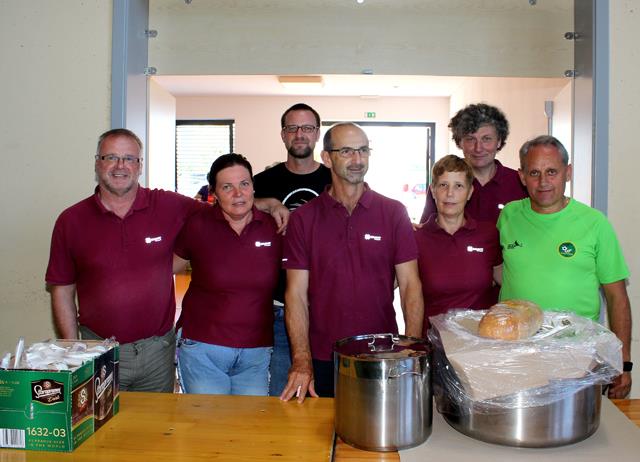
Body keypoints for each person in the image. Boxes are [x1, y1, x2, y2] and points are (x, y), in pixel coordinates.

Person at [45, 128, 288, 392]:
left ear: (140, 165)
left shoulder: (167, 205)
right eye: (111, 157)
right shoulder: (71, 221)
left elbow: (225, 206)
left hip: (157, 352)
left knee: (160, 419)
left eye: (129, 158)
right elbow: (62, 289)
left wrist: (270, 204)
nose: (120, 166)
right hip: (99, 351)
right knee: (101, 419)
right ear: (97, 163)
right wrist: (73, 350)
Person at [280, 122, 424, 402]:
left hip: (381, 355)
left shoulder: (393, 212)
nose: (357, 159)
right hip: (323, 357)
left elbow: (410, 286)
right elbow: (295, 294)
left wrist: (411, 353)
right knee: (319, 429)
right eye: (346, 151)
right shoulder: (303, 219)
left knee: (379, 429)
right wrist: (301, 360)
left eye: (363, 150)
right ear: (327, 158)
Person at [498, 135, 632, 398]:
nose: (543, 182)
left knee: (579, 424)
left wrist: (623, 362)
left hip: (578, 360)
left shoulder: (594, 223)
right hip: (516, 357)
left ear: (567, 173)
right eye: (534, 173)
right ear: (522, 176)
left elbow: (618, 298)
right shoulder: (508, 216)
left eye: (552, 172)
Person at [174, 154, 282, 395]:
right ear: (214, 193)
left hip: (256, 352)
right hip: (202, 348)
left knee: (251, 418)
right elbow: (168, 268)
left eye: (244, 184)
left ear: (253, 187)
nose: (238, 193)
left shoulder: (275, 227)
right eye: (227, 187)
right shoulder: (197, 225)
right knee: (208, 418)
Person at [253, 103, 332, 396]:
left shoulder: (333, 180)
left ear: (317, 134)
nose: (300, 134)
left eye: (307, 128)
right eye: (292, 128)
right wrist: (267, 203)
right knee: (283, 398)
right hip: (278, 309)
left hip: (326, 308)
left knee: (327, 399)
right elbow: (227, 205)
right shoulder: (262, 183)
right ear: (283, 134)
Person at [415, 155, 502, 334]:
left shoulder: (489, 234)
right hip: (434, 342)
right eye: (443, 185)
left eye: (459, 186)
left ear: (470, 192)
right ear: (433, 191)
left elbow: (509, 282)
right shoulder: (416, 238)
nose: (450, 193)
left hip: (481, 341)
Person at [420, 103, 527, 224]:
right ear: (460, 142)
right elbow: (427, 229)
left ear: (499, 141)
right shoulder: (444, 184)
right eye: (470, 139)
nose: (478, 148)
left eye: (486, 139)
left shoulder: (520, 183)